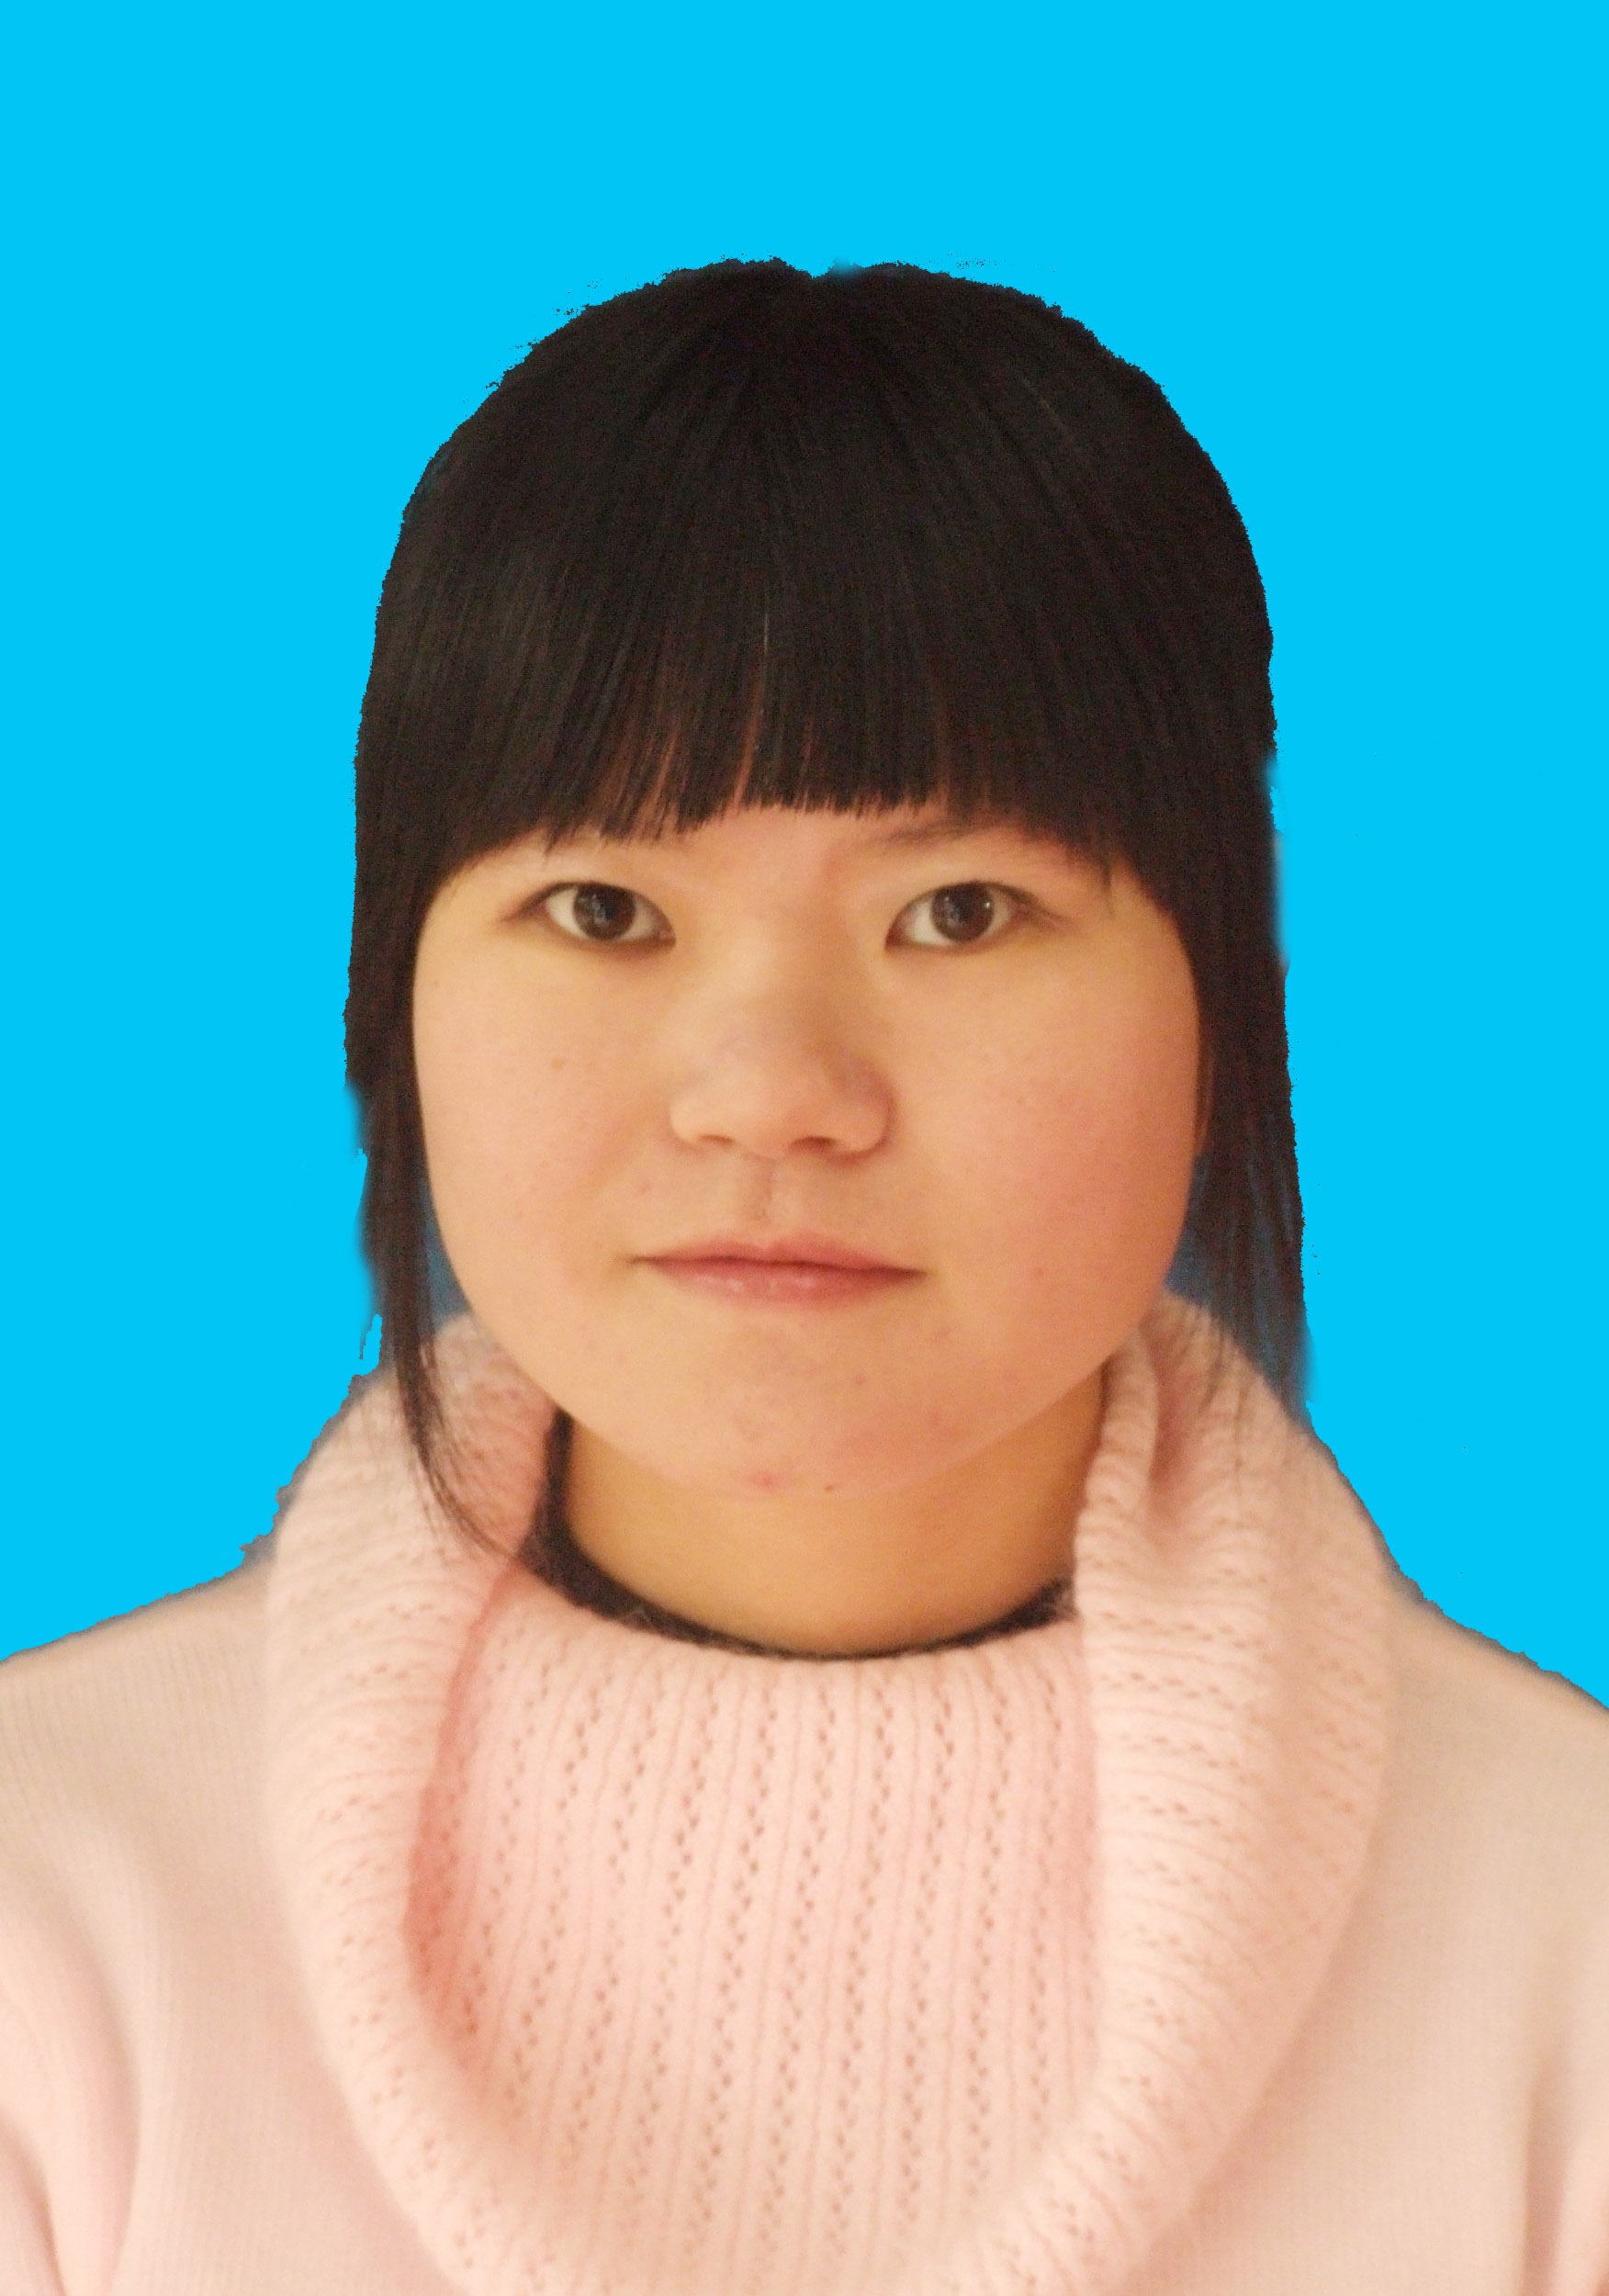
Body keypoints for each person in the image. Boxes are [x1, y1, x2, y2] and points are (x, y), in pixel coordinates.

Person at [1, 260, 1604, 2296]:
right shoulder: (50, 1911)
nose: (772, 1092)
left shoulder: (1562, 1942)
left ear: (1230, 1001)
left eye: (961, 909)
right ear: (390, 994)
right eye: (605, 907)